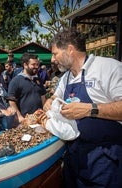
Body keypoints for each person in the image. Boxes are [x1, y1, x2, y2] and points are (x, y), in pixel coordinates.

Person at [44, 27, 122, 187]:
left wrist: (89, 109)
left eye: (55, 53)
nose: (52, 59)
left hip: (104, 160)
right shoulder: (65, 78)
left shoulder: (109, 68)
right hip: (73, 159)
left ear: (70, 50)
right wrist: (49, 103)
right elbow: (54, 98)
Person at [8, 53, 47, 123]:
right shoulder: (16, 81)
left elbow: (43, 97)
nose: (36, 67)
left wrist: (45, 113)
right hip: (25, 120)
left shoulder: (38, 80)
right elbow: (11, 101)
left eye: (37, 64)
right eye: (33, 64)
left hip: (40, 119)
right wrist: (19, 117)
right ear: (25, 65)